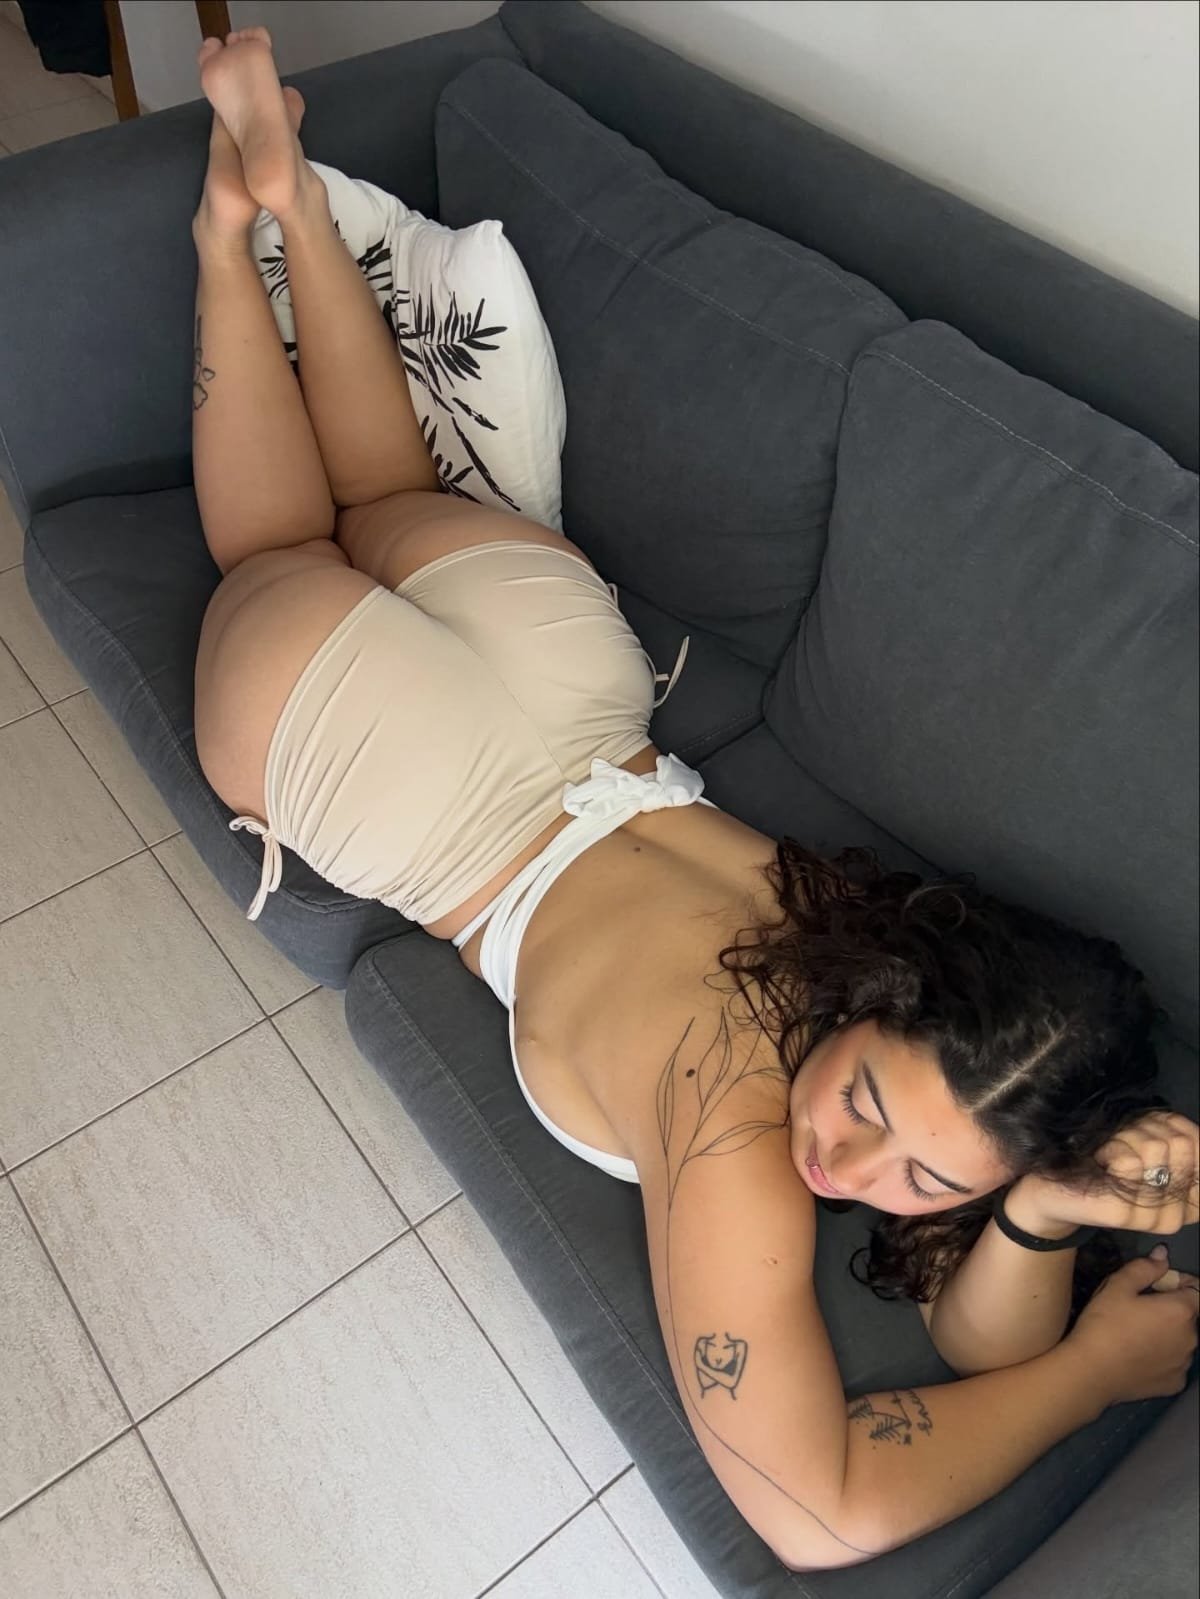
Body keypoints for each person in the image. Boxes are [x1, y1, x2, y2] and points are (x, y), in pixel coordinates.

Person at [191, 30, 1197, 1567]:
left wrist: (1045, 1211)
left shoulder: (877, 928)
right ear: (887, 1005)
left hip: (563, 675)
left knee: (388, 505)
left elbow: (977, 1311)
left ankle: (291, 203)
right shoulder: (731, 1126)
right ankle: (231, 234)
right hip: (435, 792)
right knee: (279, 553)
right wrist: (1092, 1376)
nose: (850, 1171)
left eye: (927, 1179)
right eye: (865, 1104)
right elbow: (818, 1512)